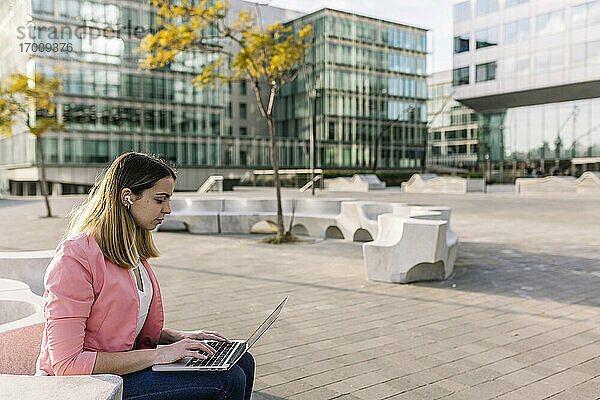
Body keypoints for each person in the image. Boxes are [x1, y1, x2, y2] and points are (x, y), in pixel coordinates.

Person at [36, 152, 255, 400]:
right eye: (160, 199)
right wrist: (161, 354)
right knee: (228, 380)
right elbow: (67, 364)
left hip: (120, 369)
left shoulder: (130, 249)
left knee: (242, 360)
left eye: (169, 199)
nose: (168, 209)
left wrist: (179, 337)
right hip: (87, 385)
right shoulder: (75, 257)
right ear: (127, 197)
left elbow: (122, 320)